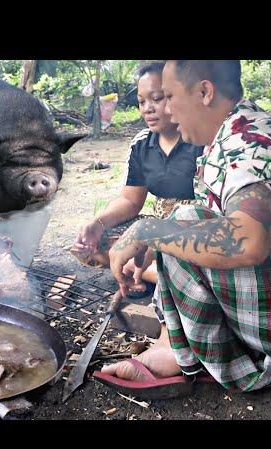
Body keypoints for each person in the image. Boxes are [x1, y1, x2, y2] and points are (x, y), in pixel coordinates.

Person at [95, 60, 271, 397]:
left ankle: (202, 360)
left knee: (181, 223)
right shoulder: (232, 132)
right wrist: (157, 241)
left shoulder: (248, 145)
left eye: (170, 96)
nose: (169, 111)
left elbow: (247, 241)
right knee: (179, 224)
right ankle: (182, 349)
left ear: (205, 92)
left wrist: (148, 232)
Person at [72, 62, 203, 296]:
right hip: (156, 229)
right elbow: (131, 201)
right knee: (101, 240)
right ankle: (146, 267)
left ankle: (145, 270)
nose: (147, 109)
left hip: (192, 231)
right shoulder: (143, 145)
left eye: (157, 98)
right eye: (142, 102)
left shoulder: (202, 141)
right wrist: (98, 223)